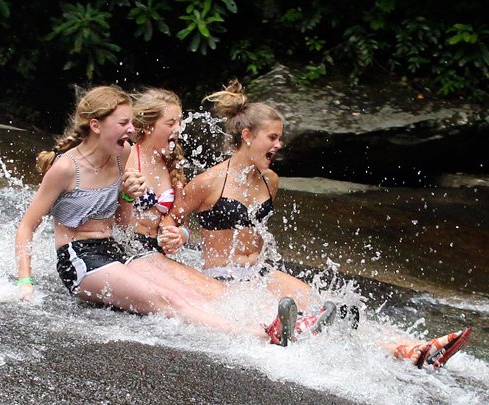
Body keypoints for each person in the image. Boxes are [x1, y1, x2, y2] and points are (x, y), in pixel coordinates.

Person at [161, 79, 472, 366]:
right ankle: (398, 351)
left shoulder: (270, 180)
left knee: (331, 307)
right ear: (247, 136)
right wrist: (180, 237)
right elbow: (171, 224)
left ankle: (414, 348)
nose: (279, 145)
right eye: (272, 137)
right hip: (224, 278)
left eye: (280, 138)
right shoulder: (208, 182)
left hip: (261, 272)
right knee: (305, 317)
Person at [14, 85, 297, 345]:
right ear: (96, 125)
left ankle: (270, 323)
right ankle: (259, 335)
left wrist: (126, 195)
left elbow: (123, 225)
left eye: (131, 122)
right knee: (169, 301)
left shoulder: (120, 155)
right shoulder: (66, 168)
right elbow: (27, 226)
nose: (131, 128)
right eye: (124, 123)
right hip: (80, 258)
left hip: (116, 249)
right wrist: (25, 282)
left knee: (191, 295)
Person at [123, 88, 226, 300]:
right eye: (170, 123)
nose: (178, 129)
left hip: (155, 252)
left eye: (179, 122)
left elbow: (181, 222)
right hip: (128, 249)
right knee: (201, 293)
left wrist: (181, 236)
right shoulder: (126, 157)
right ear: (148, 126)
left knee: (215, 289)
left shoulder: (173, 165)